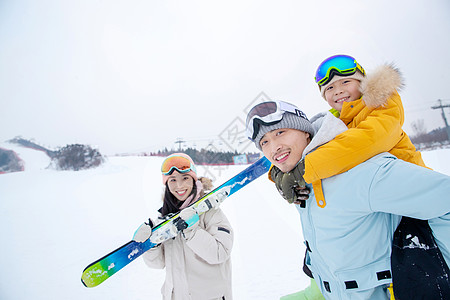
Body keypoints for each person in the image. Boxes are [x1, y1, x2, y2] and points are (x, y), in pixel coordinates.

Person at [245, 100, 450, 299]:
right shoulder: (301, 183)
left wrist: (432, 277)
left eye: (280, 133)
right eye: (264, 142)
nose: (274, 147)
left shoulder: (361, 172)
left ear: (305, 132)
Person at [276, 54, 436, 300]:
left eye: (345, 82)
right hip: (370, 207)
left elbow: (361, 143)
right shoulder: (336, 120)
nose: (337, 91)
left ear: (362, 82)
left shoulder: (383, 106)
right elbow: (305, 147)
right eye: (329, 88)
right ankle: (320, 288)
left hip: (408, 209)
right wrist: (280, 173)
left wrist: (304, 169)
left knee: (402, 270)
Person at [133, 153, 234, 300]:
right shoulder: (165, 218)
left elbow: (220, 253)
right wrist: (150, 246)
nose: (179, 185)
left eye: (185, 178)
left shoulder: (211, 213)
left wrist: (191, 230)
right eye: (172, 180)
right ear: (167, 184)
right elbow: (158, 263)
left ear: (194, 180)